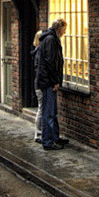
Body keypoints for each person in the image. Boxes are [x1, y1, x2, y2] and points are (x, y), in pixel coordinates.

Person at [35, 18, 69, 151]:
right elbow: (50, 63)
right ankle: (48, 141)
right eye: (64, 30)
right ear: (59, 29)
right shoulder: (50, 40)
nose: (64, 33)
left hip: (48, 81)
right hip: (48, 82)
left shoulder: (50, 39)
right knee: (48, 112)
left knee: (52, 112)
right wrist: (55, 81)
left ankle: (55, 137)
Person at [30, 30, 43, 143]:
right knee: (41, 109)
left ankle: (39, 133)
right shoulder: (39, 53)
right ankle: (38, 134)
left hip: (37, 83)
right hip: (40, 84)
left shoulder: (37, 52)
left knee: (41, 108)